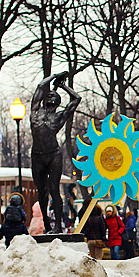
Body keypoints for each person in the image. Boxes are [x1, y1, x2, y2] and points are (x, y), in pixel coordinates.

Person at [30, 72, 81, 234]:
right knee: (41, 192)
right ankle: (47, 225)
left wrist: (63, 86)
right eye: (49, 94)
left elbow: (76, 99)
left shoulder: (59, 116)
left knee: (54, 189)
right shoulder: (35, 112)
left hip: (53, 155)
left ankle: (58, 225)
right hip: (37, 155)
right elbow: (39, 87)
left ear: (57, 102)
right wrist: (53, 76)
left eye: (54, 95)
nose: (51, 95)